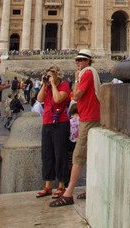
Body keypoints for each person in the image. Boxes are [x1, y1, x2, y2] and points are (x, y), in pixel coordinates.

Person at [52, 50, 101, 207]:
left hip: (89, 117)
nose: (78, 62)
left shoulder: (86, 73)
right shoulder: (88, 73)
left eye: (81, 60)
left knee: (78, 156)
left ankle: (68, 193)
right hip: (88, 116)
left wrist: (76, 81)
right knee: (91, 153)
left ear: (88, 61)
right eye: (77, 60)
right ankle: (91, 187)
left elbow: (77, 95)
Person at [35, 65, 71, 199]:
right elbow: (39, 99)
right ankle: (48, 185)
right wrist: (45, 85)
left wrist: (54, 86)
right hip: (47, 123)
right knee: (47, 155)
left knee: (60, 155)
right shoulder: (47, 87)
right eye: (47, 75)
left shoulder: (64, 85)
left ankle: (61, 185)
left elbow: (57, 99)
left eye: (51, 75)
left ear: (57, 76)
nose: (49, 78)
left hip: (60, 123)